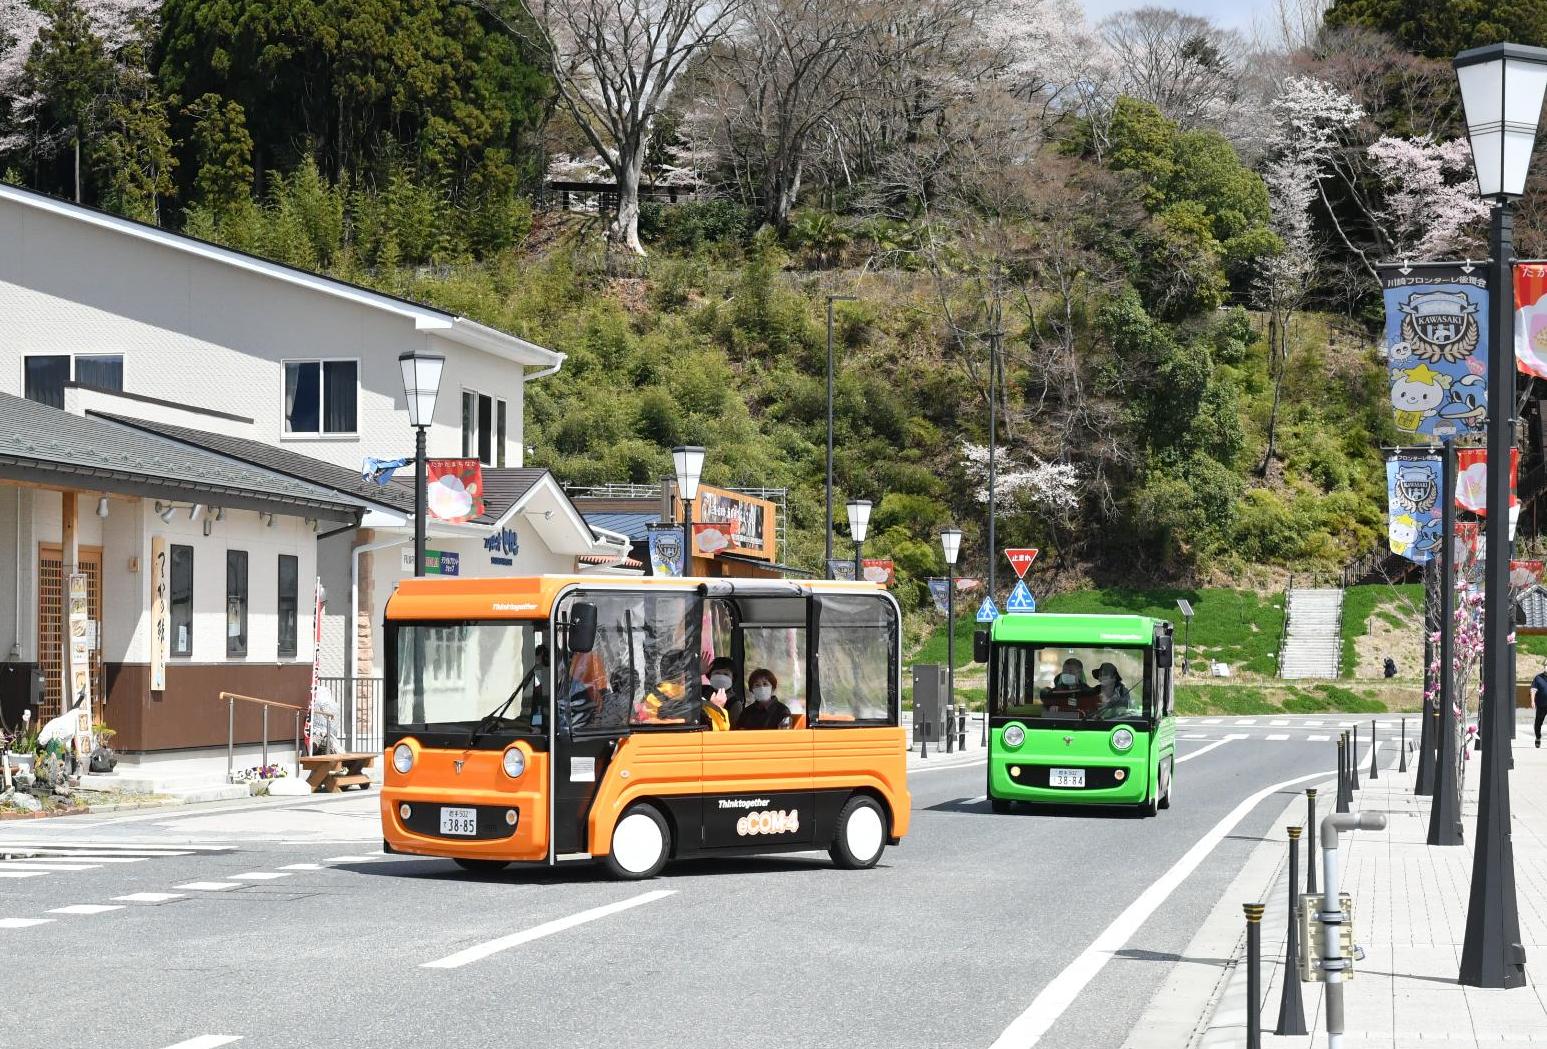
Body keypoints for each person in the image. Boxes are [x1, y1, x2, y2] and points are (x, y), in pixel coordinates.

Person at [704, 656, 743, 724]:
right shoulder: (701, 691)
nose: (721, 677)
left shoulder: (734, 703)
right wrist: (699, 673)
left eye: (726, 674)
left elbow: (733, 731)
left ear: (733, 678)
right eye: (717, 673)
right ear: (709, 676)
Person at [1533, 664, 1547, 748]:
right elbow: (1533, 690)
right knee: (1538, 723)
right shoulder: (1538, 678)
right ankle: (1538, 737)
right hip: (1541, 704)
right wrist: (1532, 701)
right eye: (1546, 665)